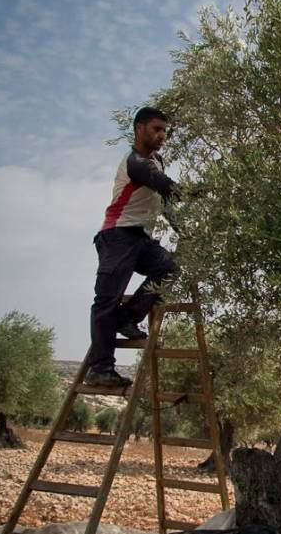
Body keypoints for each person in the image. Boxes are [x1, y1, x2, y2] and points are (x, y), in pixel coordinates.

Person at [86, 107, 180, 387]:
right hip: (118, 235)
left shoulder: (156, 161)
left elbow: (164, 200)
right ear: (139, 128)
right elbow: (165, 186)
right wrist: (198, 191)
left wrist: (183, 229)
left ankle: (127, 318)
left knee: (168, 267)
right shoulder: (135, 162)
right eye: (156, 129)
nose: (162, 136)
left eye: (164, 131)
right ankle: (100, 369)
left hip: (141, 238)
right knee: (106, 300)